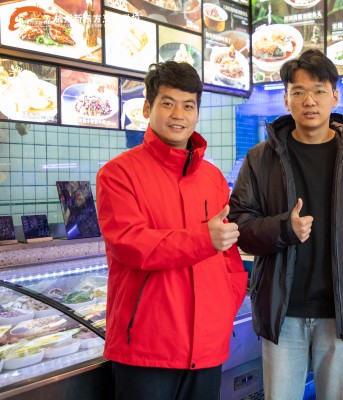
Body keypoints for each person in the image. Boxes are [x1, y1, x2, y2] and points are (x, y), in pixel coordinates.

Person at [228, 49, 343, 400]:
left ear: (334, 96)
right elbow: (240, 225)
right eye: (299, 91)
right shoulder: (260, 158)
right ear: (286, 99)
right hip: (283, 311)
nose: (309, 101)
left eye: (319, 90)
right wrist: (284, 230)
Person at [96, 61, 247, 400]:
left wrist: (224, 307)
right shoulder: (118, 174)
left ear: (197, 113)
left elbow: (228, 256)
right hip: (147, 346)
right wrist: (203, 239)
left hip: (207, 344)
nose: (178, 114)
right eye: (168, 103)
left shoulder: (212, 178)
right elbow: (130, 245)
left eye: (188, 105)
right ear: (147, 108)